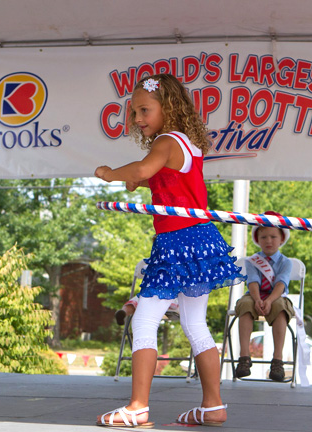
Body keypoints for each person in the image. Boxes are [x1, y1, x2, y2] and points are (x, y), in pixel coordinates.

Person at [94, 74, 245, 428]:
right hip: (201, 238)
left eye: (144, 110)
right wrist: (143, 181)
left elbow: (149, 165)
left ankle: (137, 406)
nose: (137, 119)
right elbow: (170, 177)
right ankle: (213, 406)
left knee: (145, 320)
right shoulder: (185, 143)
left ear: (169, 108)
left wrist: (113, 173)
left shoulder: (164, 140)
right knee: (195, 324)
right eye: (133, 113)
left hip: (177, 241)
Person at [234, 211, 295, 382]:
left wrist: (268, 300)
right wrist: (258, 299)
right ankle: (244, 357)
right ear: (257, 239)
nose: (269, 241)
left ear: (282, 239)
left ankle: (277, 361)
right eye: (264, 237)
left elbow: (281, 284)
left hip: (276, 296)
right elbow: (252, 282)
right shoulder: (252, 261)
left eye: (273, 237)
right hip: (254, 295)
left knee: (280, 308)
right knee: (245, 305)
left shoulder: (286, 262)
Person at [114, 295, 179, 325]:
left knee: (135, 303)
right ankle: (123, 313)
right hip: (170, 300)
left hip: (148, 295)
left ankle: (125, 311)